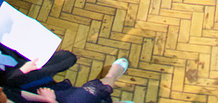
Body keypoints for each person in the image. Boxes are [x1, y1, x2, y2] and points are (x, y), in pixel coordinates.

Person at [2, 55, 130, 102]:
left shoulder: (4, 94)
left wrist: (44, 99)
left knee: (89, 95)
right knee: (90, 95)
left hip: (38, 96)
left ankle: (110, 77)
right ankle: (110, 77)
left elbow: (13, 93)